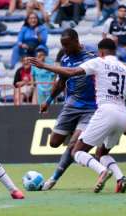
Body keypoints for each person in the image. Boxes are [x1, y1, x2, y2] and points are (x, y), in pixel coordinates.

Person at [29, 38, 126, 193]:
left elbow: (72, 72)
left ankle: (102, 171)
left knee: (77, 151)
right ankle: (120, 178)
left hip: (104, 111)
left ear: (100, 52)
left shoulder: (98, 62)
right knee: (101, 153)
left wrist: (44, 66)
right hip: (122, 115)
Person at [36, 29, 100, 191]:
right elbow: (61, 82)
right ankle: (76, 136)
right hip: (70, 106)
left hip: (90, 107)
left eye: (66, 45)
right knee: (54, 143)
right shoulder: (65, 58)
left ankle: (54, 178)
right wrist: (48, 101)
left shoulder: (92, 54)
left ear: (76, 41)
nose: (64, 48)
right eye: (62, 45)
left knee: (73, 146)